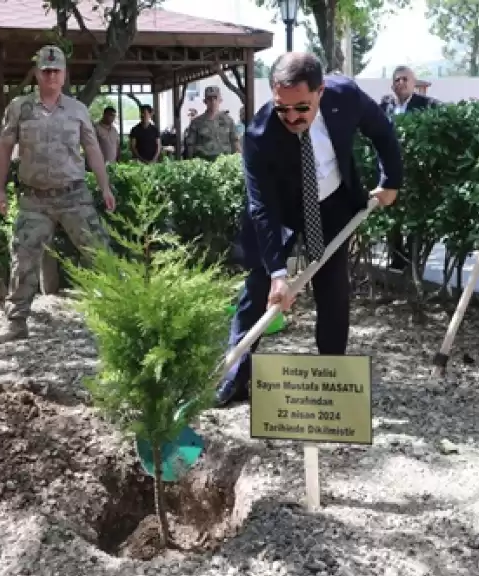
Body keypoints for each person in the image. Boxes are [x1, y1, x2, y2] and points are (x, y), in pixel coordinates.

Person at [215, 52, 403, 407]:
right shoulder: (259, 134)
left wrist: (390, 180)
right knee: (258, 289)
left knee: (332, 289)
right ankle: (237, 376)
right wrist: (277, 273)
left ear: (321, 91)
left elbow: (381, 129)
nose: (291, 118)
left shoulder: (345, 96)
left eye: (301, 108)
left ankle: (331, 376)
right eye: (282, 108)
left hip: (332, 203)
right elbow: (262, 207)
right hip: (281, 210)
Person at [0, 45, 116, 342]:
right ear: (36, 73)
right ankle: (16, 321)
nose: (51, 76)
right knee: (23, 258)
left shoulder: (78, 110)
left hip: (74, 195)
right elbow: (5, 149)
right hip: (34, 199)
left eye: (56, 70)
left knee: (99, 252)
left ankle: (116, 316)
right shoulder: (20, 107)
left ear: (64, 74)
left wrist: (105, 187)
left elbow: (93, 149)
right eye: (45, 71)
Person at [378, 65, 440, 271]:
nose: (401, 83)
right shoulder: (385, 105)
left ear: (414, 83)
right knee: (392, 214)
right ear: (392, 85)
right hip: (390, 169)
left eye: (405, 79)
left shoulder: (427, 105)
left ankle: (412, 261)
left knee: (414, 216)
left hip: (415, 170)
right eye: (397, 80)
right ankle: (396, 257)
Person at [184, 86, 241, 161]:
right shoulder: (196, 123)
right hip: (203, 164)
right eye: (209, 99)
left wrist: (238, 160)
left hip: (225, 163)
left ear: (220, 100)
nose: (213, 102)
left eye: (215, 98)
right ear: (205, 101)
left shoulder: (228, 121)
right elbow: (190, 146)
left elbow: (235, 142)